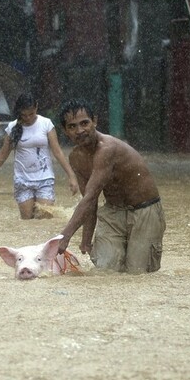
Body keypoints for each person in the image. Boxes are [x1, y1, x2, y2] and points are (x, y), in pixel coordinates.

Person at [56, 99, 166, 273]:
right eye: (72, 126)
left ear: (95, 121)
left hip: (144, 212)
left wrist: (64, 236)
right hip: (113, 213)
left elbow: (91, 196)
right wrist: (86, 239)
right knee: (105, 271)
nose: (80, 131)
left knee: (137, 274)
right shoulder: (76, 158)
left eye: (85, 123)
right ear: (65, 130)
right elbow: (89, 202)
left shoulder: (107, 149)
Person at [0, 94, 79, 219]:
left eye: (31, 114)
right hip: (23, 181)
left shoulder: (46, 124)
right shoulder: (12, 127)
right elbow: (2, 156)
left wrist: (71, 176)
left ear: (36, 108)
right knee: (27, 222)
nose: (28, 118)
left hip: (45, 179)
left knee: (44, 220)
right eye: (24, 115)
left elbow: (58, 152)